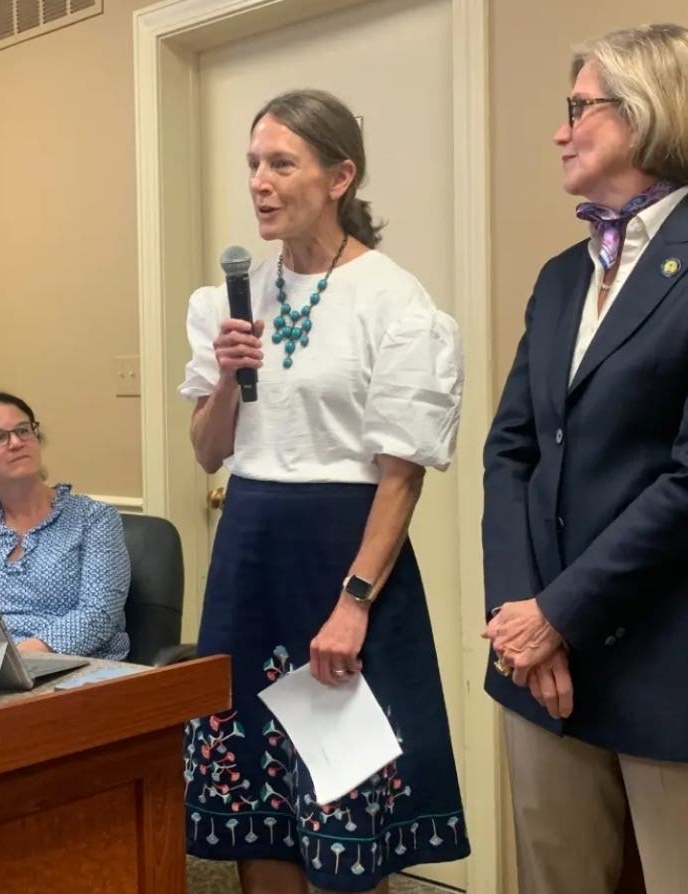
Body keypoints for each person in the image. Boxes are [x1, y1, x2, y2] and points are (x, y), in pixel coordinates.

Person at [482, 24, 688, 894]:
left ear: (650, 113)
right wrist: (521, 619)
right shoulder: (559, 276)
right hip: (542, 671)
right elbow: (511, 451)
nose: (560, 130)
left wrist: (560, 613)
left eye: (579, 107)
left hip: (681, 664)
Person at [180, 89, 468, 894]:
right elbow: (207, 454)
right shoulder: (227, 303)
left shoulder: (391, 298)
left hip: (344, 563)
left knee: (345, 805)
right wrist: (232, 379)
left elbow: (402, 473)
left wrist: (355, 601)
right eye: (252, 165)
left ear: (340, 176)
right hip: (250, 561)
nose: (260, 183)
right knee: (260, 806)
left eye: (282, 163)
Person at [0, 392, 130, 660]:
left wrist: (12, 659)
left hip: (71, 670)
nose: (16, 442)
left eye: (23, 430)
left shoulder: (94, 518)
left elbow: (98, 614)